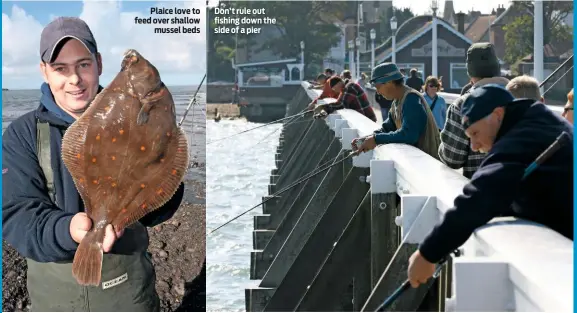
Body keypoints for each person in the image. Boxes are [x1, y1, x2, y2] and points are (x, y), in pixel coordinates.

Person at [2, 17, 185, 311]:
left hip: (127, 292)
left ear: (99, 63)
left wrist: (165, 167)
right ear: (44, 72)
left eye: (83, 65)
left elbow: (158, 210)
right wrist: (69, 229)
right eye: (60, 68)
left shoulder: (138, 113)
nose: (74, 79)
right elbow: (15, 215)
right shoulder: (22, 135)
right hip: (56, 300)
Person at [407, 84, 573, 288]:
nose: (474, 146)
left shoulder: (519, 140)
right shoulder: (537, 119)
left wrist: (427, 254)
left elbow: (479, 196)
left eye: (475, 134)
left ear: (497, 114)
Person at [438, 43, 510, 178]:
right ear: (497, 67)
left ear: (470, 72)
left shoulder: (462, 104)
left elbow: (452, 159)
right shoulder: (523, 97)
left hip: (480, 189)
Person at [351, 63, 440, 159]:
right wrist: (366, 139)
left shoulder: (411, 99)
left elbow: (409, 135)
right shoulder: (397, 102)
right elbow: (387, 128)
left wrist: (376, 139)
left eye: (378, 87)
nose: (378, 92)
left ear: (389, 82)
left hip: (429, 164)